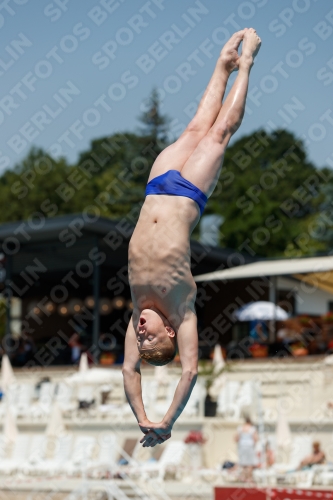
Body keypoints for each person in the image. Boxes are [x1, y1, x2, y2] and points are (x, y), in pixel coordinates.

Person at [122, 29, 262, 448]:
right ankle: (249, 62)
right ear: (169, 334)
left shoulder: (135, 312)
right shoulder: (182, 312)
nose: (142, 336)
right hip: (187, 194)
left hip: (155, 186)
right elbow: (189, 371)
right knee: (218, 132)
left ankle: (222, 65)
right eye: (150, 340)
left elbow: (130, 372)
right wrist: (166, 422)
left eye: (140, 341)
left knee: (196, 124)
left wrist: (141, 417)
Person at [235, 416, 259, 482]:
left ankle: (243, 478)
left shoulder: (240, 428)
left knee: (243, 464)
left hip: (242, 447)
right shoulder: (252, 428)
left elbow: (236, 438)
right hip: (250, 447)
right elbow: (255, 439)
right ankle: (249, 478)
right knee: (249, 464)